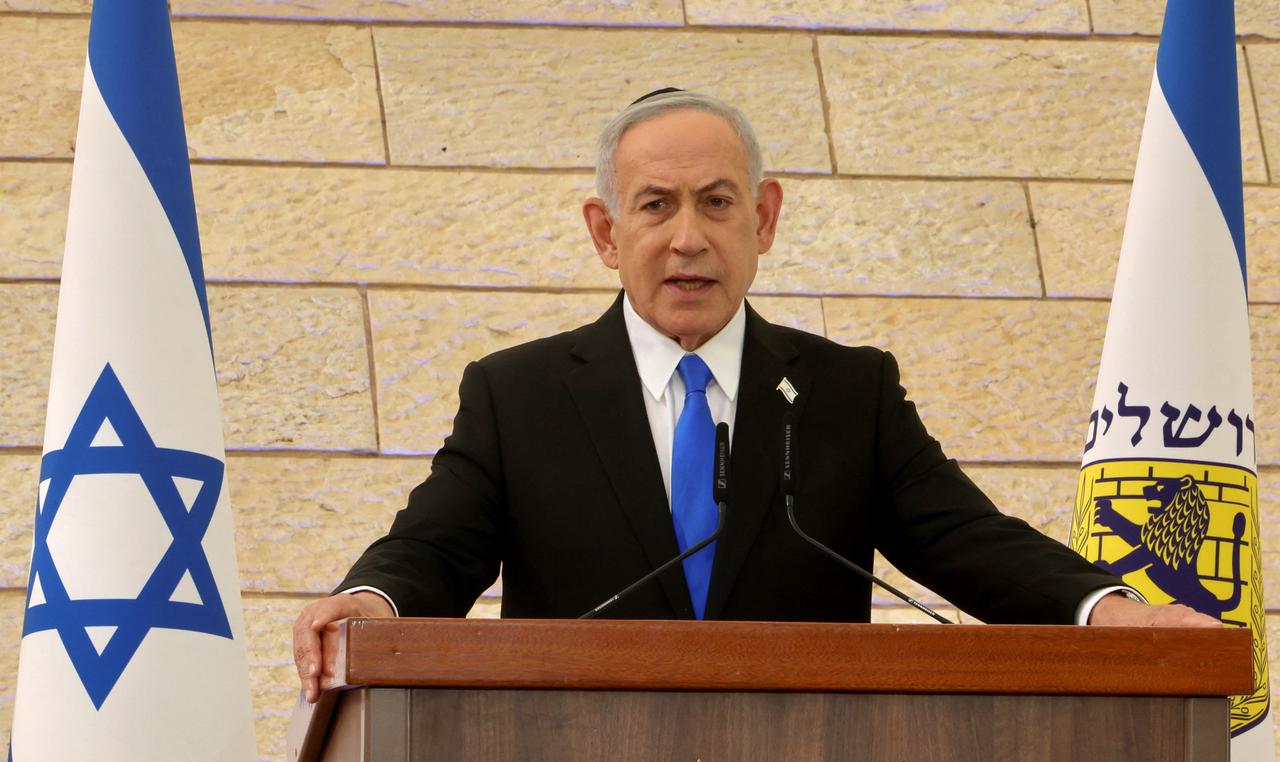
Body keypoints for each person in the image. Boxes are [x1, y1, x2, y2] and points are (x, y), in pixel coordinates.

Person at [293, 90, 1218, 702]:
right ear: (606, 232)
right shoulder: (518, 395)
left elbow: (965, 540)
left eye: (718, 202)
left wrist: (1111, 610)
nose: (688, 237)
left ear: (764, 218)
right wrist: (371, 600)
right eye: (656, 205)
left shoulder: (847, 392)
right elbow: (435, 545)